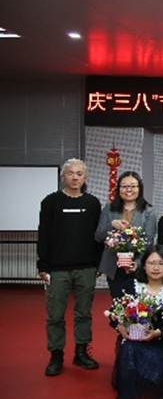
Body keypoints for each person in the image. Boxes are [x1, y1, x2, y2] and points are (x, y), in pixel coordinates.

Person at [37, 158, 102, 376]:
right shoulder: (50, 202)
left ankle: (81, 353)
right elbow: (44, 234)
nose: (75, 177)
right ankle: (56, 356)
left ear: (85, 177)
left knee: (83, 314)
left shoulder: (92, 203)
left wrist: (98, 263)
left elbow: (98, 237)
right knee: (55, 315)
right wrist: (43, 265)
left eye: (79, 174)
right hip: (57, 269)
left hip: (86, 268)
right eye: (71, 173)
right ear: (63, 176)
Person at [112, 245, 163, 399]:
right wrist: (120, 327)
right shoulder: (131, 285)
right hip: (134, 339)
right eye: (151, 263)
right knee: (130, 348)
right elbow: (114, 313)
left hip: (162, 341)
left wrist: (157, 333)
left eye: (161, 263)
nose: (156, 268)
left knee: (154, 374)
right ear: (143, 265)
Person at [95, 171, 157, 299]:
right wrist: (111, 224)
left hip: (137, 266)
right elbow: (98, 236)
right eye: (124, 186)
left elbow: (149, 241)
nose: (129, 190)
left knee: (137, 305)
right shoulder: (109, 208)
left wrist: (138, 263)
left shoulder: (149, 211)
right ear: (118, 189)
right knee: (117, 303)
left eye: (133, 186)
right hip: (113, 266)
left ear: (139, 188)